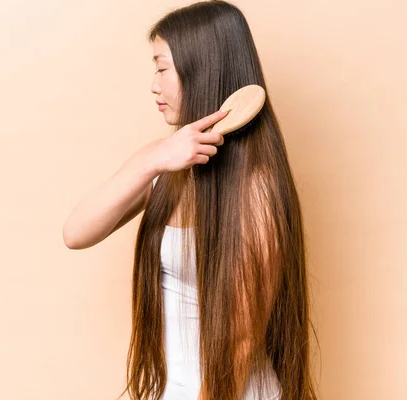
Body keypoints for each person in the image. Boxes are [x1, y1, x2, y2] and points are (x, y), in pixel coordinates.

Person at [63, 1, 319, 399]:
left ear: (201, 68)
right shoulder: (166, 170)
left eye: (162, 67)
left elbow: (240, 343)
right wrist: (151, 158)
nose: (154, 84)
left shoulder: (256, 189)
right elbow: (76, 233)